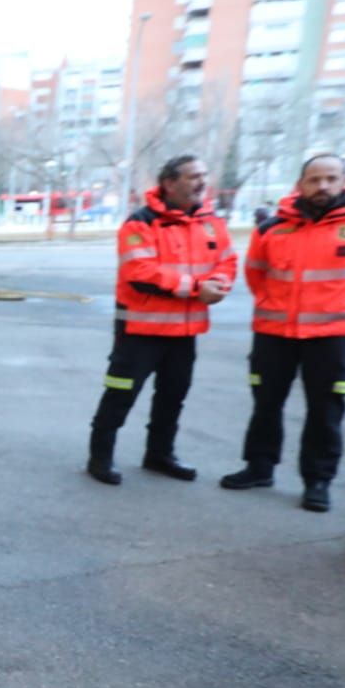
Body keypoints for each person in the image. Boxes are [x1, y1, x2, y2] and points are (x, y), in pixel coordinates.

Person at [86, 155, 235, 485]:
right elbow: (140, 274)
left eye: (203, 175)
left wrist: (219, 284)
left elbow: (227, 262)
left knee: (172, 396)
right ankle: (100, 456)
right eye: (192, 176)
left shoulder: (211, 222)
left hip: (185, 331)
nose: (201, 182)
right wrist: (198, 287)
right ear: (169, 183)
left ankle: (160, 454)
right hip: (141, 330)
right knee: (120, 393)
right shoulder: (140, 223)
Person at [221, 153, 345, 512]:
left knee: (325, 410)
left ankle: (318, 480)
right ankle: (259, 467)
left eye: (331, 178)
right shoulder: (272, 229)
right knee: (266, 403)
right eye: (314, 179)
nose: (322, 186)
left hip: (332, 337)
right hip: (274, 333)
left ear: (343, 181)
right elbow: (256, 276)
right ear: (300, 184)